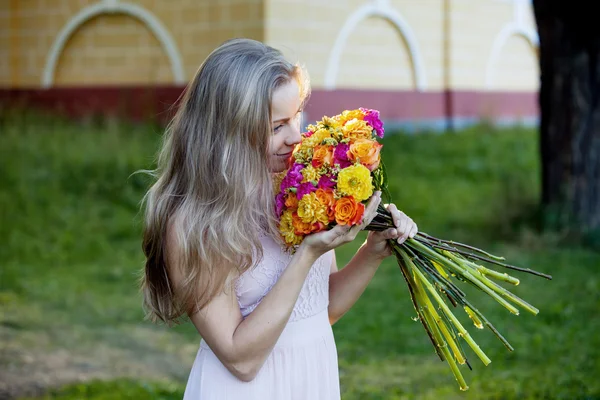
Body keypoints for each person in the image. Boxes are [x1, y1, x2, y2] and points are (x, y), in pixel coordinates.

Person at [140, 38, 418, 400]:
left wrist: (372, 252)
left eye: (296, 115)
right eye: (276, 127)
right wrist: (306, 256)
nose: (296, 137)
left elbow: (322, 307)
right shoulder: (195, 222)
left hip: (310, 381)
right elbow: (241, 360)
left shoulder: (300, 188)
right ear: (228, 132)